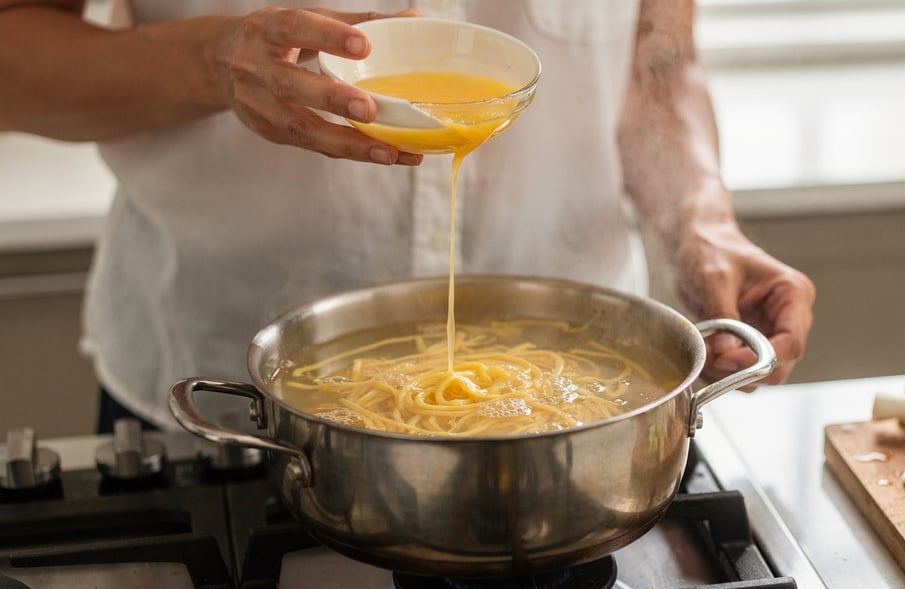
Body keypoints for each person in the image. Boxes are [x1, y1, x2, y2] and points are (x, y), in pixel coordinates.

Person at [0, 0, 816, 432]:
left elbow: (656, 59)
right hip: (222, 392)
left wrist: (700, 219)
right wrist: (211, 62)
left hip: (580, 413)